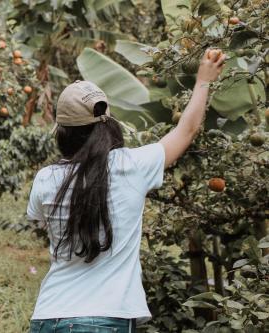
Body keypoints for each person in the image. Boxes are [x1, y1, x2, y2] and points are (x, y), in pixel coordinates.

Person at [27, 49, 226, 333]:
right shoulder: (132, 166)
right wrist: (204, 79)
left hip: (48, 316)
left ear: (63, 133)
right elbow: (187, 130)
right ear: (107, 123)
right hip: (106, 319)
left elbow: (42, 219)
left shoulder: (45, 179)